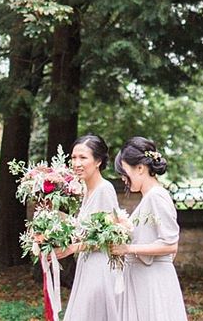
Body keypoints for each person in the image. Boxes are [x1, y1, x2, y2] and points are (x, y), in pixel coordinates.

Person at [111, 136, 187, 321]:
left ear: (139, 168)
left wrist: (128, 248)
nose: (123, 178)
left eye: (124, 171)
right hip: (142, 279)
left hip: (152, 282)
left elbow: (171, 245)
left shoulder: (156, 197)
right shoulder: (149, 198)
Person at [60, 134, 120, 321]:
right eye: (73, 157)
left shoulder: (105, 189)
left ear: (98, 161)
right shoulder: (86, 191)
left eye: (83, 158)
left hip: (100, 267)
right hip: (87, 265)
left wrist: (73, 248)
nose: (76, 163)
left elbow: (108, 236)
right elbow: (84, 230)